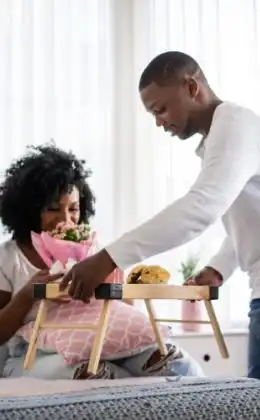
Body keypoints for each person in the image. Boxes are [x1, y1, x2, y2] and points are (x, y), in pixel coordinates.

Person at [60, 51, 260, 393]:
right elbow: (257, 218)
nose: (159, 122)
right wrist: (220, 268)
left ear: (192, 87)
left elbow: (200, 209)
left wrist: (107, 259)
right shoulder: (222, 136)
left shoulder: (234, 128)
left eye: (161, 109)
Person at [0, 144, 202, 379]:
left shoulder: (91, 251)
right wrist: (28, 295)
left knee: (176, 364)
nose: (66, 220)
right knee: (94, 375)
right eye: (53, 209)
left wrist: (111, 281)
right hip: (34, 353)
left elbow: (123, 308)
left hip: (103, 340)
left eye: (74, 209)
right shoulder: (10, 257)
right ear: (28, 209)